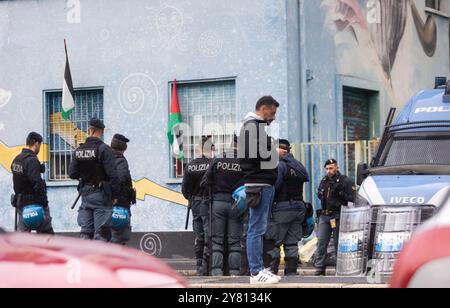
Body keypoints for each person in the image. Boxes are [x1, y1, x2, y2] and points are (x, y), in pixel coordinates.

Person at [238, 96, 286, 284]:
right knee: (256, 229)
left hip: (261, 183)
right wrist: (275, 153)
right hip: (258, 183)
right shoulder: (252, 127)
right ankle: (256, 272)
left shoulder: (254, 127)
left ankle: (258, 269)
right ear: (263, 109)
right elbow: (254, 154)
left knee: (258, 228)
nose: (273, 117)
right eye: (272, 113)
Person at [69, 118, 120, 242]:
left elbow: (72, 173)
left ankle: (84, 260)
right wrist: (115, 195)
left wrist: (85, 175)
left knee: (85, 234)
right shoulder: (104, 149)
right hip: (101, 195)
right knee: (101, 235)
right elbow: (113, 175)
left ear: (89, 130)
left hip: (85, 195)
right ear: (101, 132)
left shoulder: (79, 150)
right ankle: (98, 261)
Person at [264, 139, 309, 276]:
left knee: (274, 242)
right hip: (298, 208)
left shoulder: (281, 166)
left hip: (282, 208)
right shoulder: (298, 165)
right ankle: (291, 272)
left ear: (281, 151)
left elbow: (275, 187)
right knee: (291, 242)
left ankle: (272, 271)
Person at [201, 136, 244, 276]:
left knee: (217, 241)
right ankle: (234, 273)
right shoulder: (244, 162)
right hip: (236, 204)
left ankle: (216, 272)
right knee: (234, 242)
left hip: (218, 203)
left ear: (231, 146)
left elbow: (205, 181)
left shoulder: (218, 159)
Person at [314, 159, 355, 276]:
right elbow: (320, 194)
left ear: (337, 168)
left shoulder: (346, 181)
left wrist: (341, 193)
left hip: (338, 215)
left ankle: (339, 267)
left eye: (331, 168)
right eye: (327, 169)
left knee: (338, 242)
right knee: (321, 241)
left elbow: (353, 199)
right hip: (325, 216)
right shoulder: (324, 180)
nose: (328, 171)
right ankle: (319, 268)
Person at [182, 137, 214, 276]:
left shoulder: (190, 165)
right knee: (209, 235)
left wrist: (191, 197)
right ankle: (208, 267)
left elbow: (184, 189)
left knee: (199, 236)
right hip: (208, 203)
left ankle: (199, 266)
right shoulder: (212, 164)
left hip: (195, 203)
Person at [11, 132, 54, 234]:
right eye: (40, 144)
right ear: (36, 143)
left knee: (22, 238)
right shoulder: (32, 161)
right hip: (34, 205)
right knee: (46, 236)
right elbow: (37, 184)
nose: (39, 147)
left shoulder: (17, 159)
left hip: (21, 204)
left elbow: (17, 180)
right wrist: (45, 203)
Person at [110, 134, 136, 245]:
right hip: (120, 203)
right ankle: (116, 261)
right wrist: (115, 196)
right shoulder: (120, 160)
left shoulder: (106, 158)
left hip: (106, 202)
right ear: (124, 147)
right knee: (119, 236)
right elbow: (121, 178)